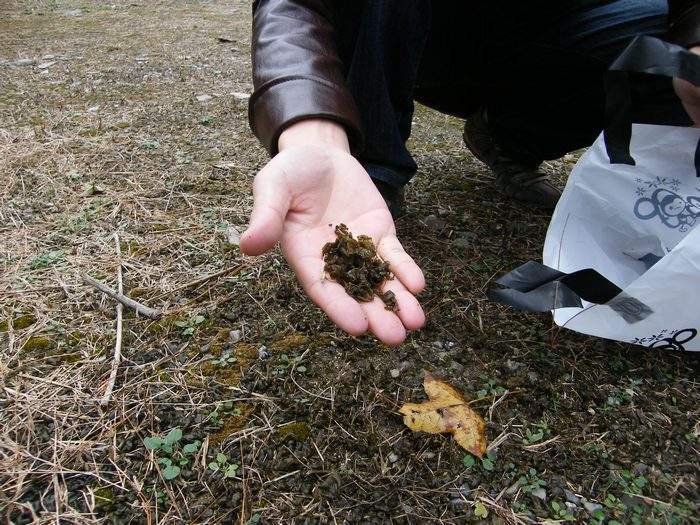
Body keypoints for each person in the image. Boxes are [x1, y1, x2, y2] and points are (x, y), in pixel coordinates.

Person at [240, 1, 700, 346]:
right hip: (427, 30)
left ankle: (510, 134)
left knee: (665, 40)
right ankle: (372, 165)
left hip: (555, 25)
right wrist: (313, 131)